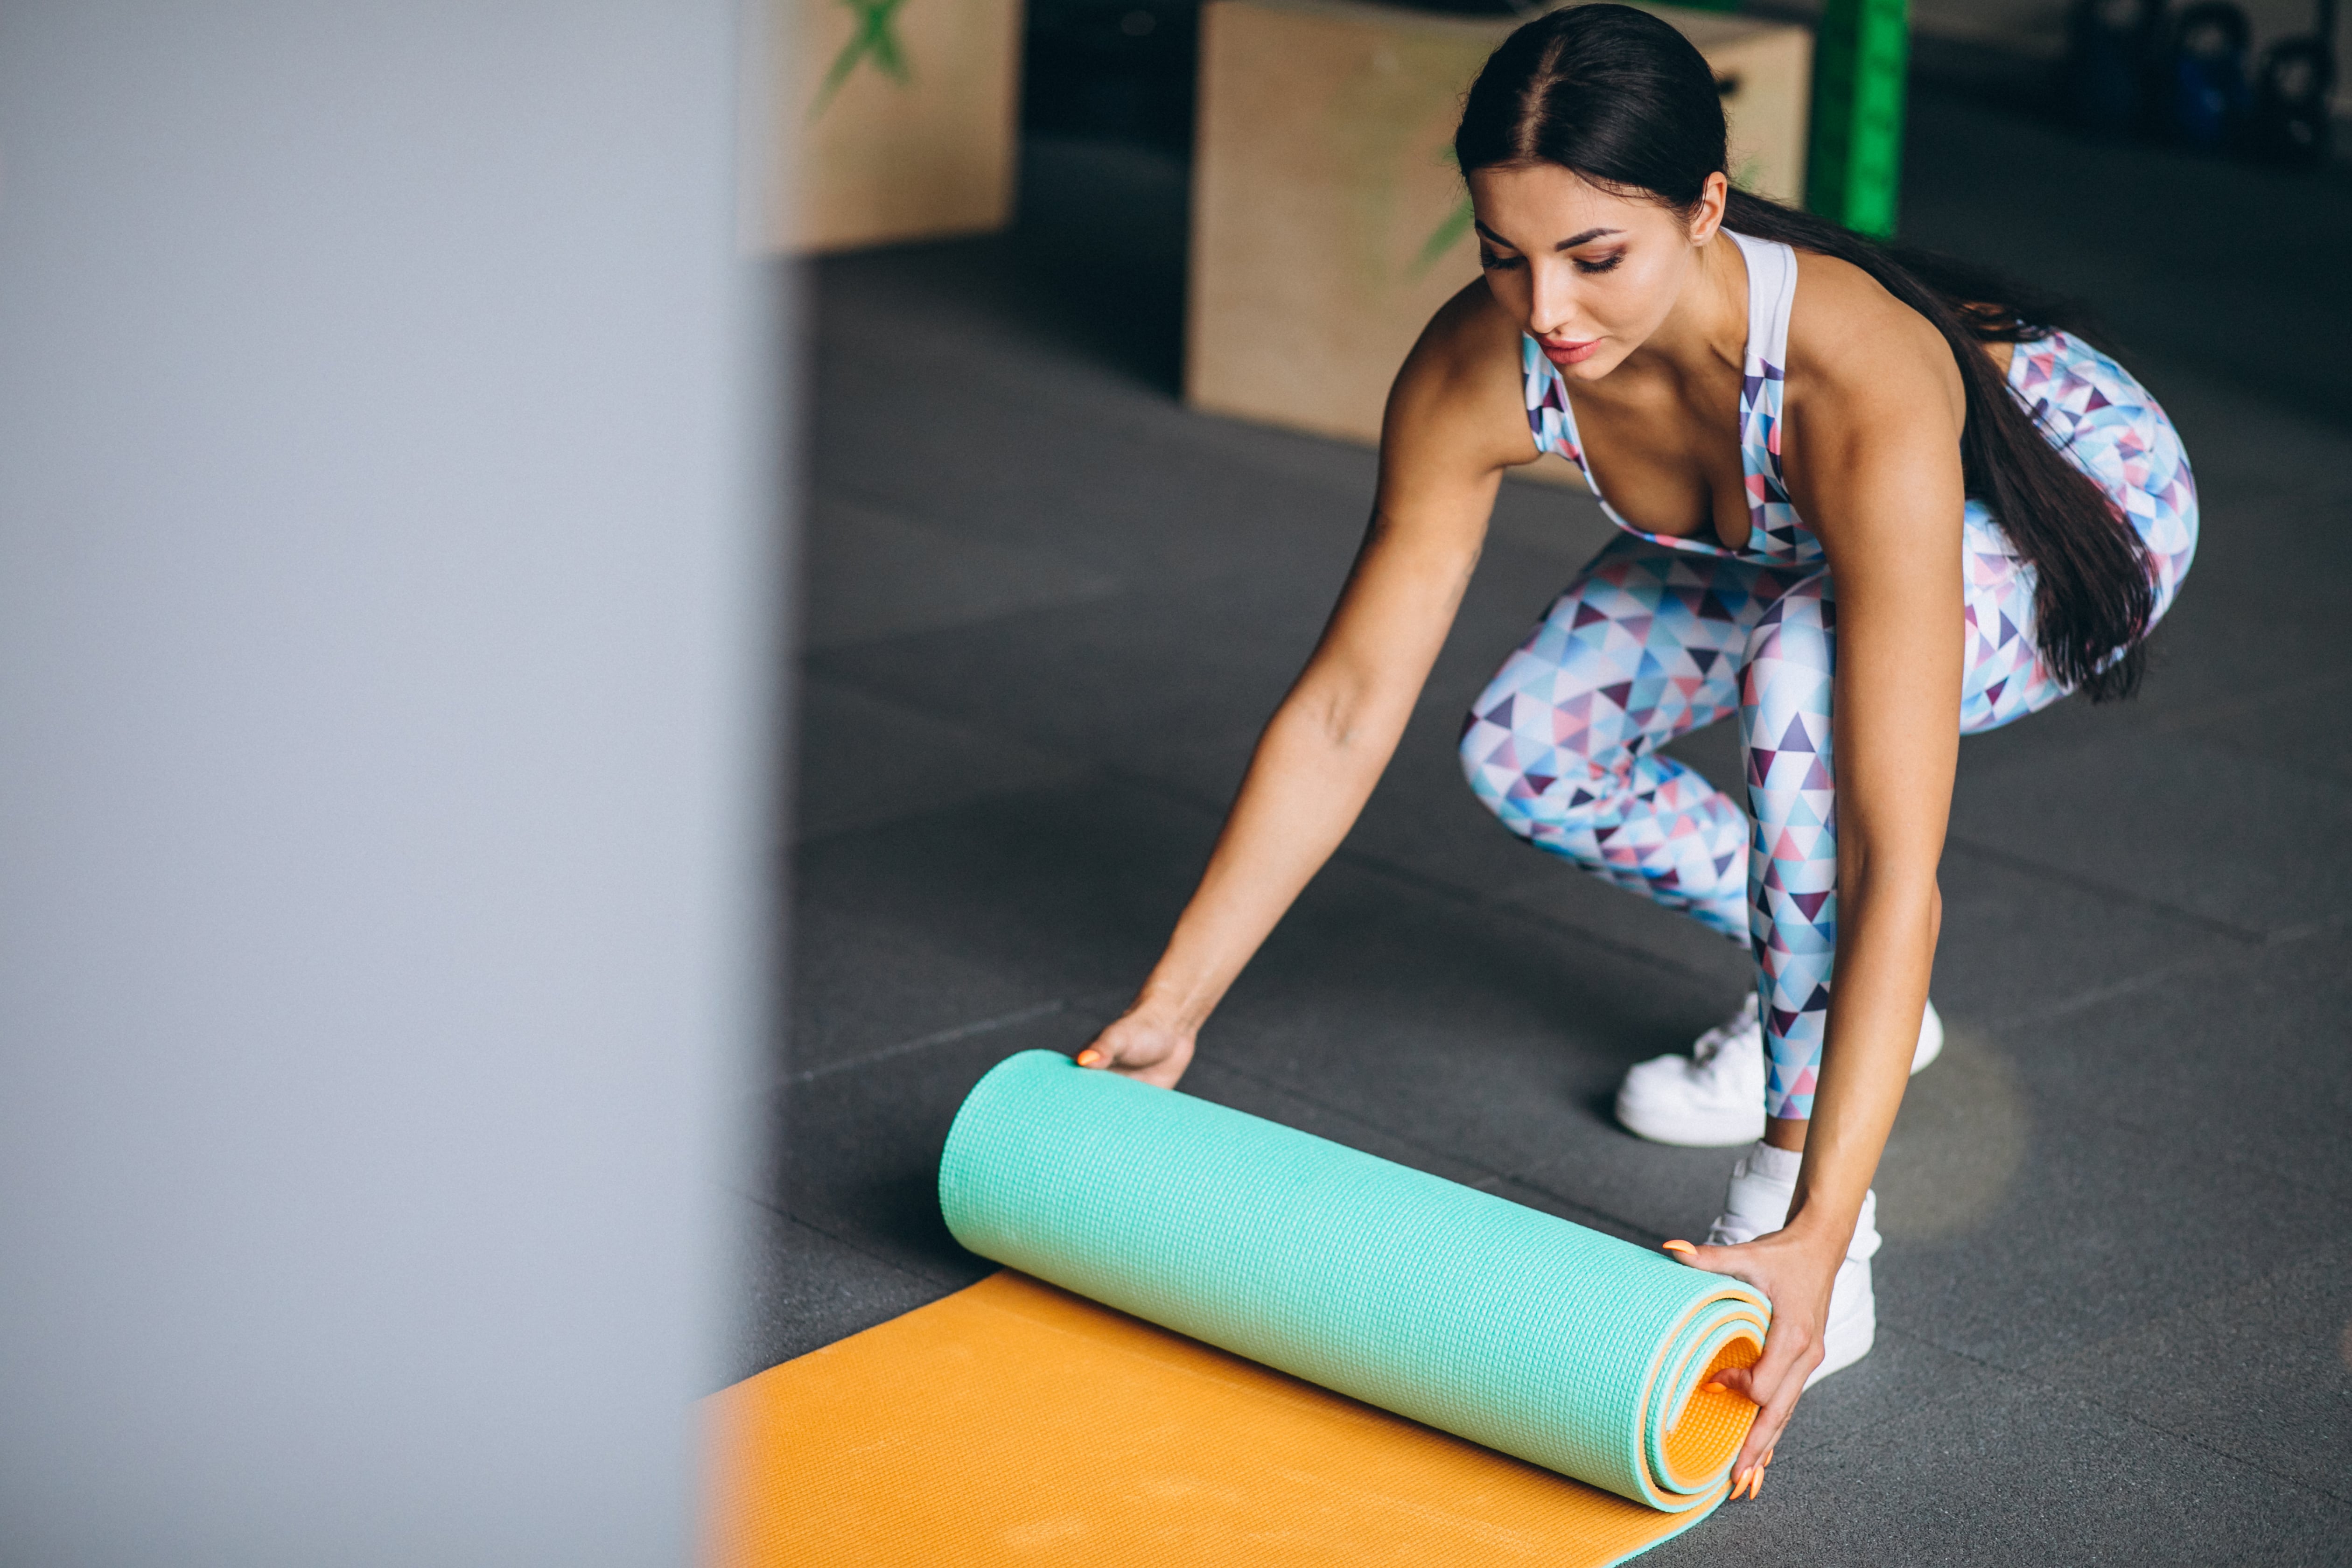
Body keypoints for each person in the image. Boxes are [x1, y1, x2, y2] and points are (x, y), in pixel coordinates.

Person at [1071, 2, 2196, 1498]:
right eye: (1500, 249)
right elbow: (1350, 705)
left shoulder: (1858, 378)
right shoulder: (1492, 362)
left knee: (1812, 681)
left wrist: (1805, 1232)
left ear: (1706, 208)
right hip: (1764, 516)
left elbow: (1884, 851)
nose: (1544, 308)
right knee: (1530, 744)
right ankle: (1849, 1010)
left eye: (1595, 256)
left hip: (2065, 491)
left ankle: (1808, 1191)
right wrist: (1173, 1005)